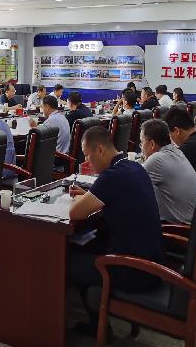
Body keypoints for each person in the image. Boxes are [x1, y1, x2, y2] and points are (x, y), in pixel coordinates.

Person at [67, 126, 163, 335]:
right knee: (90, 244)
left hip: (133, 270)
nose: (87, 162)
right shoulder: (133, 167)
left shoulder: (112, 176)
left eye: (87, 155)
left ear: (100, 150)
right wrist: (89, 195)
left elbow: (75, 213)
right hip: (152, 261)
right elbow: (116, 199)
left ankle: (96, 328)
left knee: (67, 259)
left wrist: (78, 199)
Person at [141, 119, 196, 224]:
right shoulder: (177, 152)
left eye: (142, 142)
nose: (141, 148)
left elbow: (131, 185)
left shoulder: (157, 159)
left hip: (178, 229)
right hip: (194, 223)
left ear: (152, 144)